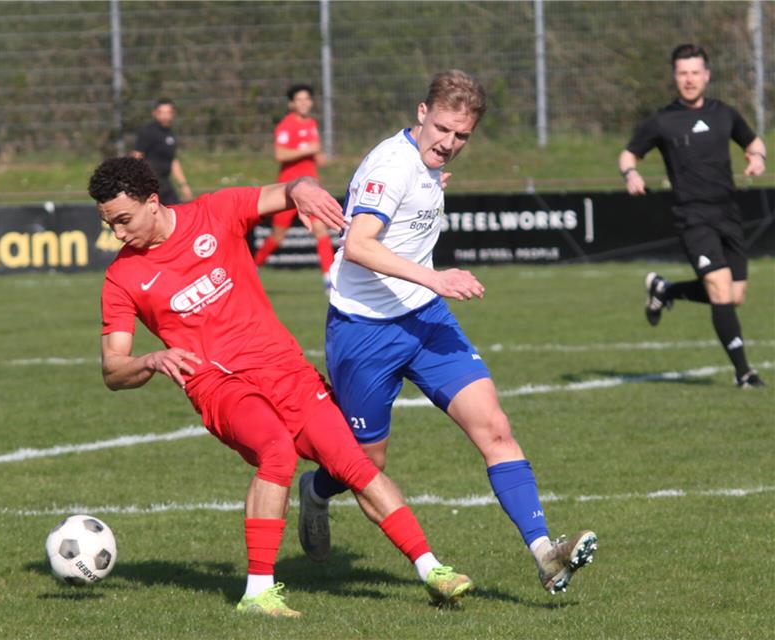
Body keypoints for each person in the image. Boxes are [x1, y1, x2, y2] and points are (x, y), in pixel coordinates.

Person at [90, 156, 477, 617]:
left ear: (152, 202)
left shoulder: (216, 211)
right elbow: (113, 369)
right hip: (218, 383)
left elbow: (291, 188)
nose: (118, 233)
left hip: (284, 368)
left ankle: (431, 570)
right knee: (277, 450)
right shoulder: (122, 277)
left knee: (353, 461)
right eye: (110, 224)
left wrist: (304, 190)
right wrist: (150, 360)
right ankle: (257, 592)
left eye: (123, 219)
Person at [297, 70, 598, 596]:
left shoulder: (429, 165)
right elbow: (359, 246)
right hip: (364, 330)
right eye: (441, 129)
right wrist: (436, 277)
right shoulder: (391, 166)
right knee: (367, 462)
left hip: (427, 319)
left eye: (462, 135)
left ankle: (546, 554)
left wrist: (431, 205)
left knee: (495, 427)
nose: (449, 143)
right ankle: (316, 490)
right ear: (421, 113)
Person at [618, 44, 767, 389]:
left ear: (707, 75)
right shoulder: (662, 121)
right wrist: (631, 174)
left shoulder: (724, 113)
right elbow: (628, 155)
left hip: (729, 215)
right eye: (683, 73)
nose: (689, 79)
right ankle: (744, 373)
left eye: (695, 72)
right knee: (719, 289)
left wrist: (757, 157)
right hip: (693, 217)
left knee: (735, 296)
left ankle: (665, 290)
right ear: (675, 77)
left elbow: (754, 143)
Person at [253, 84, 335, 289]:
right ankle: (253, 267)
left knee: (321, 230)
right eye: (299, 99)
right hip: (288, 189)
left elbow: (315, 153)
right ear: (291, 104)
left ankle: (329, 279)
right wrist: (308, 149)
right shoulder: (286, 126)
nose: (304, 103)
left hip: (311, 188)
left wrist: (319, 156)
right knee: (278, 236)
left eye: (307, 99)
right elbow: (280, 154)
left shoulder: (312, 123)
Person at [130, 98, 192, 205]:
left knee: (176, 210)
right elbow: (137, 156)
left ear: (173, 114)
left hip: (165, 183)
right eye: (161, 112)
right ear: (154, 113)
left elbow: (172, 160)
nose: (165, 116)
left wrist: (183, 184)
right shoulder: (148, 131)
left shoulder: (170, 134)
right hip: (150, 184)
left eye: (168, 112)